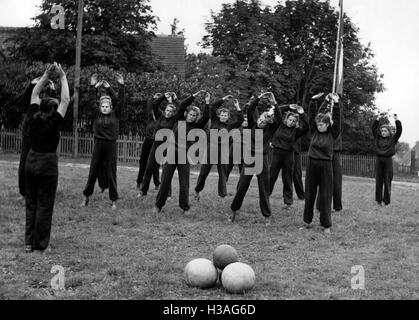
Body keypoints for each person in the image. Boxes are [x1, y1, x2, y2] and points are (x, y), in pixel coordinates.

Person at [24, 63, 70, 253]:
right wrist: (63, 77)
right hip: (48, 164)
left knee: (31, 203)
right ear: (54, 109)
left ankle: (28, 243)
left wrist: (45, 76)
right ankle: (40, 244)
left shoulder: (33, 116)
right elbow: (66, 99)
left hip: (31, 160)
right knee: (45, 205)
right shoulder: (54, 121)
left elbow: (34, 94)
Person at [153, 90, 209, 214]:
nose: (192, 117)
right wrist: (193, 96)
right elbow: (183, 104)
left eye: (194, 115)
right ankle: (158, 205)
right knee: (165, 181)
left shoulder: (196, 127)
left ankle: (185, 207)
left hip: (185, 155)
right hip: (172, 152)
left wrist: (207, 102)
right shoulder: (179, 120)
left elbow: (206, 116)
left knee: (184, 183)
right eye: (190, 114)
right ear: (186, 114)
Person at [230, 92, 281, 226]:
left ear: (268, 122)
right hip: (249, 157)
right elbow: (251, 108)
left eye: (266, 120)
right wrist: (260, 97)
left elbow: (279, 120)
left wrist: (274, 102)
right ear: (259, 117)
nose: (262, 121)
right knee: (242, 187)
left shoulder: (269, 130)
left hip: (262, 159)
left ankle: (267, 216)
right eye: (262, 118)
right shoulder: (252, 124)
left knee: (263, 188)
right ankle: (234, 211)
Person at [81, 73, 125, 210]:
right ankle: (86, 197)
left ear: (111, 107)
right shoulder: (97, 114)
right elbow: (90, 100)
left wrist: (120, 85)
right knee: (93, 172)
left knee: (111, 173)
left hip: (111, 145)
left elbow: (121, 101)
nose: (105, 108)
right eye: (102, 106)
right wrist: (93, 86)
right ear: (100, 107)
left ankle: (113, 200)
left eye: (107, 106)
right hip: (98, 144)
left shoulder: (115, 114)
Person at [303, 93, 341, 234]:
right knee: (310, 194)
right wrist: (313, 100)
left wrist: (336, 104)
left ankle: (326, 225)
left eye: (322, 125)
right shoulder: (314, 132)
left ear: (327, 125)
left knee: (325, 196)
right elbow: (312, 114)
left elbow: (338, 120)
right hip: (312, 165)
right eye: (318, 124)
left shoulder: (332, 134)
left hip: (326, 167)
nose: (319, 126)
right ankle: (307, 221)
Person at [194, 95, 244, 199]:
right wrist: (223, 99)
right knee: (204, 172)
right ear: (219, 115)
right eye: (222, 115)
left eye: (225, 115)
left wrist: (238, 107)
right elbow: (212, 107)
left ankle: (222, 195)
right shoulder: (214, 120)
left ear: (228, 117)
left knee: (223, 174)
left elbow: (240, 120)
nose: (223, 117)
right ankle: (197, 191)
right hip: (211, 148)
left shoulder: (230, 126)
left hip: (223, 150)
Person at [18, 77, 56, 200]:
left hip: (41, 140)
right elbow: (25, 100)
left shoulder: (46, 105)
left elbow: (55, 105)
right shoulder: (32, 104)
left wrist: (53, 90)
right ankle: (24, 193)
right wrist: (32, 84)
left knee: (41, 167)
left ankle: (39, 191)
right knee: (24, 166)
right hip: (28, 138)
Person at [138, 92, 182, 197]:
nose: (168, 113)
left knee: (166, 171)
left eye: (171, 111)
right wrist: (163, 96)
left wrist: (175, 99)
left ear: (173, 113)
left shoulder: (174, 120)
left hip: (168, 147)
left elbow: (181, 109)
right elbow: (154, 105)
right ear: (164, 110)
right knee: (149, 168)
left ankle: (168, 193)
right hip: (156, 145)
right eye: (167, 110)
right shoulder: (160, 116)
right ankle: (143, 191)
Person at [269, 104, 308, 209]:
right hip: (276, 154)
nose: (291, 122)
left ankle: (288, 202)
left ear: (296, 123)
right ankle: (265, 196)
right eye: (290, 120)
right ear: (286, 119)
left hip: (288, 156)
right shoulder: (280, 125)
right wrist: (288, 106)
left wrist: (302, 113)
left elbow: (307, 127)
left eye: (294, 121)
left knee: (287, 179)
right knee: (271, 176)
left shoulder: (296, 132)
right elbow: (277, 110)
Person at [372, 113, 402, 206]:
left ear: (389, 131)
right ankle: (378, 201)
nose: (383, 132)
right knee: (379, 181)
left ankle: (386, 201)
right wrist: (377, 119)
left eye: (385, 131)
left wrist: (397, 120)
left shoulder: (393, 139)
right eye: (382, 131)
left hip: (388, 161)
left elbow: (399, 131)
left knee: (387, 181)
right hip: (379, 160)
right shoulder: (377, 138)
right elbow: (373, 128)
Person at [136, 94, 161, 191]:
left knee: (155, 164)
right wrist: (154, 97)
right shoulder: (150, 116)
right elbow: (150, 104)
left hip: (157, 142)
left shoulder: (161, 117)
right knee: (143, 162)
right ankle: (139, 182)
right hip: (148, 140)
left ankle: (157, 183)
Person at [225, 113, 248, 182]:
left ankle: (240, 188)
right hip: (233, 150)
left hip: (243, 152)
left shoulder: (250, 129)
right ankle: (223, 186)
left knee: (242, 171)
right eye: (244, 120)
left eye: (247, 120)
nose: (245, 122)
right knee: (227, 169)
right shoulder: (236, 128)